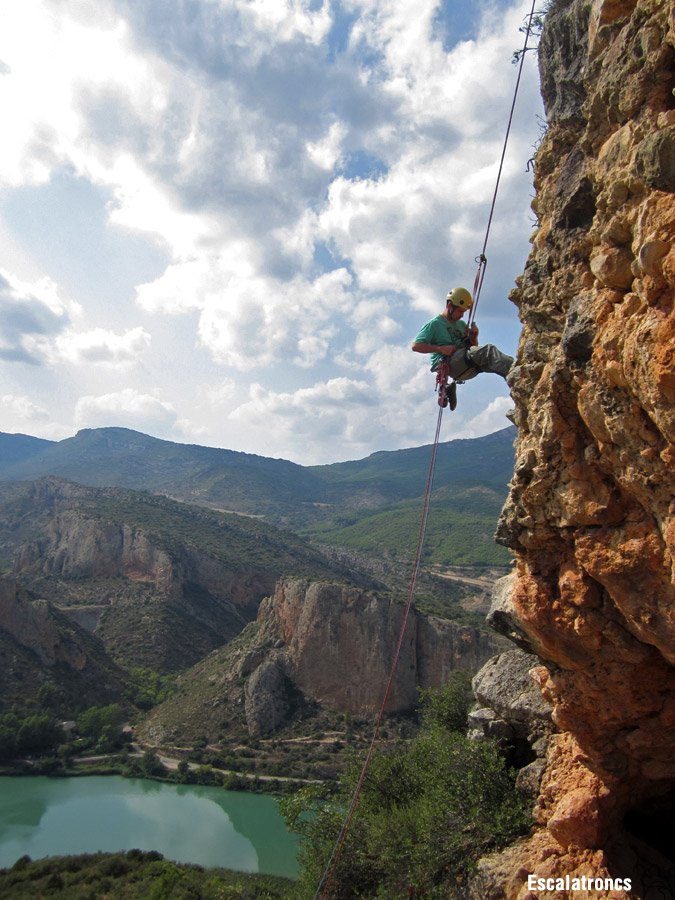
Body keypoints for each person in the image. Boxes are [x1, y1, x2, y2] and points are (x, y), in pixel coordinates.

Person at [411, 287, 513, 409]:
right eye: (460, 311)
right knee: (488, 351)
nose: (462, 316)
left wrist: (474, 337)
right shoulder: (435, 324)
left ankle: (515, 380)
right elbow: (416, 346)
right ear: (450, 306)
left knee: (493, 362)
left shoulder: (461, 325)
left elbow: (473, 349)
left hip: (465, 363)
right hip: (450, 363)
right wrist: (441, 349)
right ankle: (517, 372)